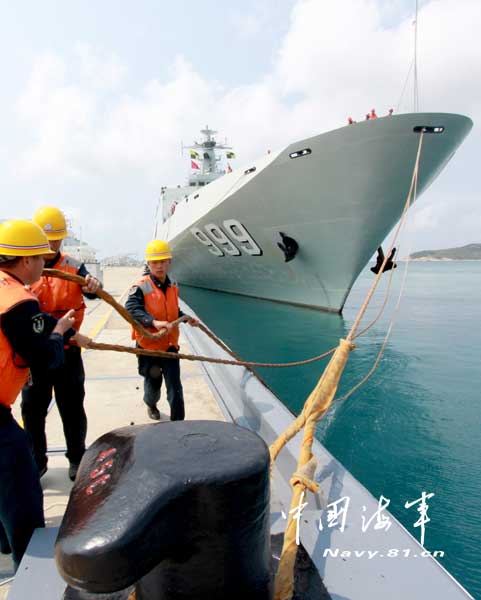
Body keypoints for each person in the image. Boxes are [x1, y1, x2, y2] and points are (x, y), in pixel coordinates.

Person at [0, 219, 89, 570]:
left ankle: (5, 544)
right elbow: (43, 357)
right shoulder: (19, 300)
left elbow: (18, 339)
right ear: (25, 262)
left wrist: (57, 334)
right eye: (39, 257)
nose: (43, 262)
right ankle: (31, 572)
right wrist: (61, 333)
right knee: (22, 496)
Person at [21, 206, 101, 482]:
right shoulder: (25, 268)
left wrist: (92, 286)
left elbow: (92, 293)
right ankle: (36, 462)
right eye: (48, 239)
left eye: (57, 239)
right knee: (32, 412)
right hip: (37, 355)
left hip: (68, 354)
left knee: (72, 409)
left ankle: (77, 458)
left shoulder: (73, 266)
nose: (52, 244)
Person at [125, 240, 198, 421]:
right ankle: (150, 403)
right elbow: (132, 309)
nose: (159, 266)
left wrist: (186, 318)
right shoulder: (141, 286)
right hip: (149, 348)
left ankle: (178, 425)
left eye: (163, 261)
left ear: (169, 262)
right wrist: (153, 322)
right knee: (153, 385)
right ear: (148, 264)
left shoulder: (173, 284)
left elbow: (172, 310)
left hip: (170, 346)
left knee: (175, 388)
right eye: (155, 262)